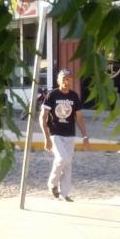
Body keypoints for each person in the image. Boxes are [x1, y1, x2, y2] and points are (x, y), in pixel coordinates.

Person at [39, 69, 90, 202]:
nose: (66, 82)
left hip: (70, 134)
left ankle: (64, 194)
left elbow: (79, 117)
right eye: (64, 79)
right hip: (55, 133)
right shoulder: (52, 95)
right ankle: (52, 184)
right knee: (62, 159)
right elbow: (43, 117)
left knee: (67, 164)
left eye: (69, 79)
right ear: (58, 81)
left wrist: (85, 135)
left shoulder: (74, 96)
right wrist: (46, 138)